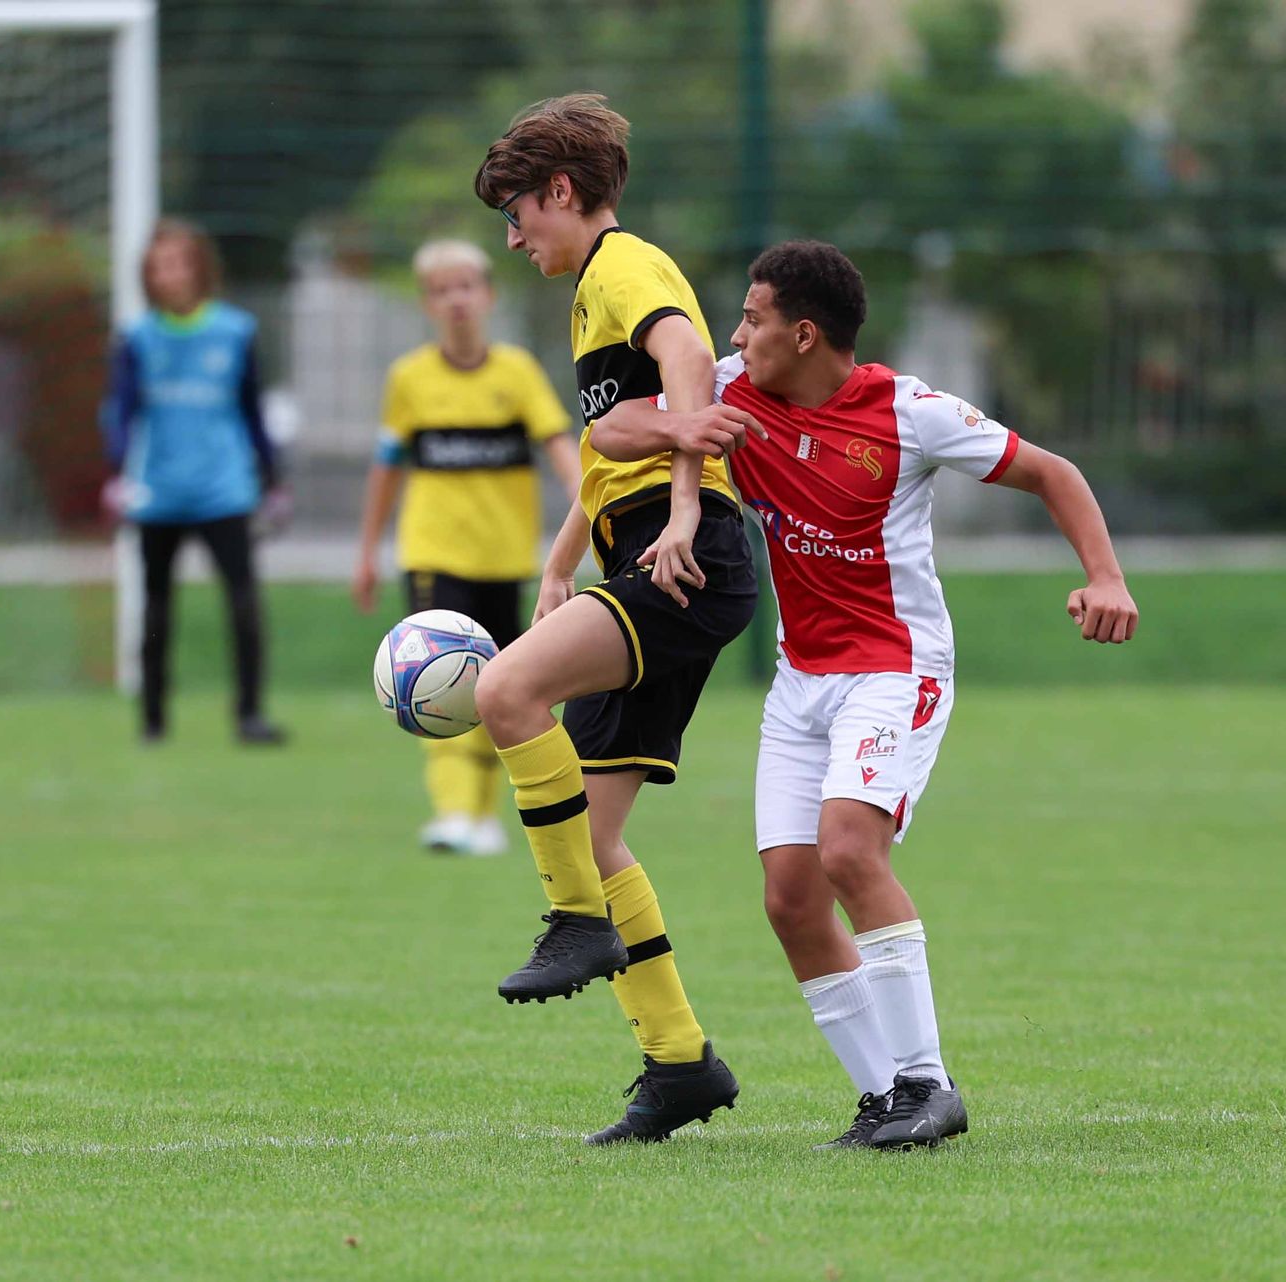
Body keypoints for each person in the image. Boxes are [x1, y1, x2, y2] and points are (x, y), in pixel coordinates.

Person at [591, 240, 1138, 1150]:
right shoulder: (730, 390)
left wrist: (1105, 577)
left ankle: (927, 1082)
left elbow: (1053, 472)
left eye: (754, 319)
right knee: (789, 899)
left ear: (804, 334)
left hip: (895, 667)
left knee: (849, 851)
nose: (737, 336)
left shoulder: (909, 411)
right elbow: (610, 431)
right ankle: (885, 1098)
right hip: (801, 679)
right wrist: (681, 431)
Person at [469, 94, 757, 1143]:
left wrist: (680, 509)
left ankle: (574, 922)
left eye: (518, 214)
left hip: (684, 558)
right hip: (655, 550)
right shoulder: (596, 285)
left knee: (505, 689)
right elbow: (615, 447)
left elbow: (690, 375)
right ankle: (680, 1064)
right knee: (594, 833)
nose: (514, 239)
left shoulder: (625, 268)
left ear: (561, 191)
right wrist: (560, 565)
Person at [352, 238, 581, 856]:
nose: (456, 300)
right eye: (441, 291)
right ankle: (453, 810)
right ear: (427, 304)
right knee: (435, 679)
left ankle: (481, 816)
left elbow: (559, 444)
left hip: (505, 560)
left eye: (466, 287)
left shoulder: (517, 373)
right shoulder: (409, 379)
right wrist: (367, 552)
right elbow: (387, 469)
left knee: (494, 685)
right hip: (434, 556)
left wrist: (587, 495)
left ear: (488, 295)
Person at [101, 218, 286, 746]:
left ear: (200, 269)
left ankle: (249, 715)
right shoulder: (137, 338)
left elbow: (252, 412)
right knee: (156, 607)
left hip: (224, 489)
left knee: (243, 603)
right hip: (159, 491)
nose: (172, 275)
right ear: (148, 276)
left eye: (180, 263)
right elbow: (121, 412)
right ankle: (153, 719)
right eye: (160, 266)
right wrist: (116, 474)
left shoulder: (235, 332)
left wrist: (273, 480)